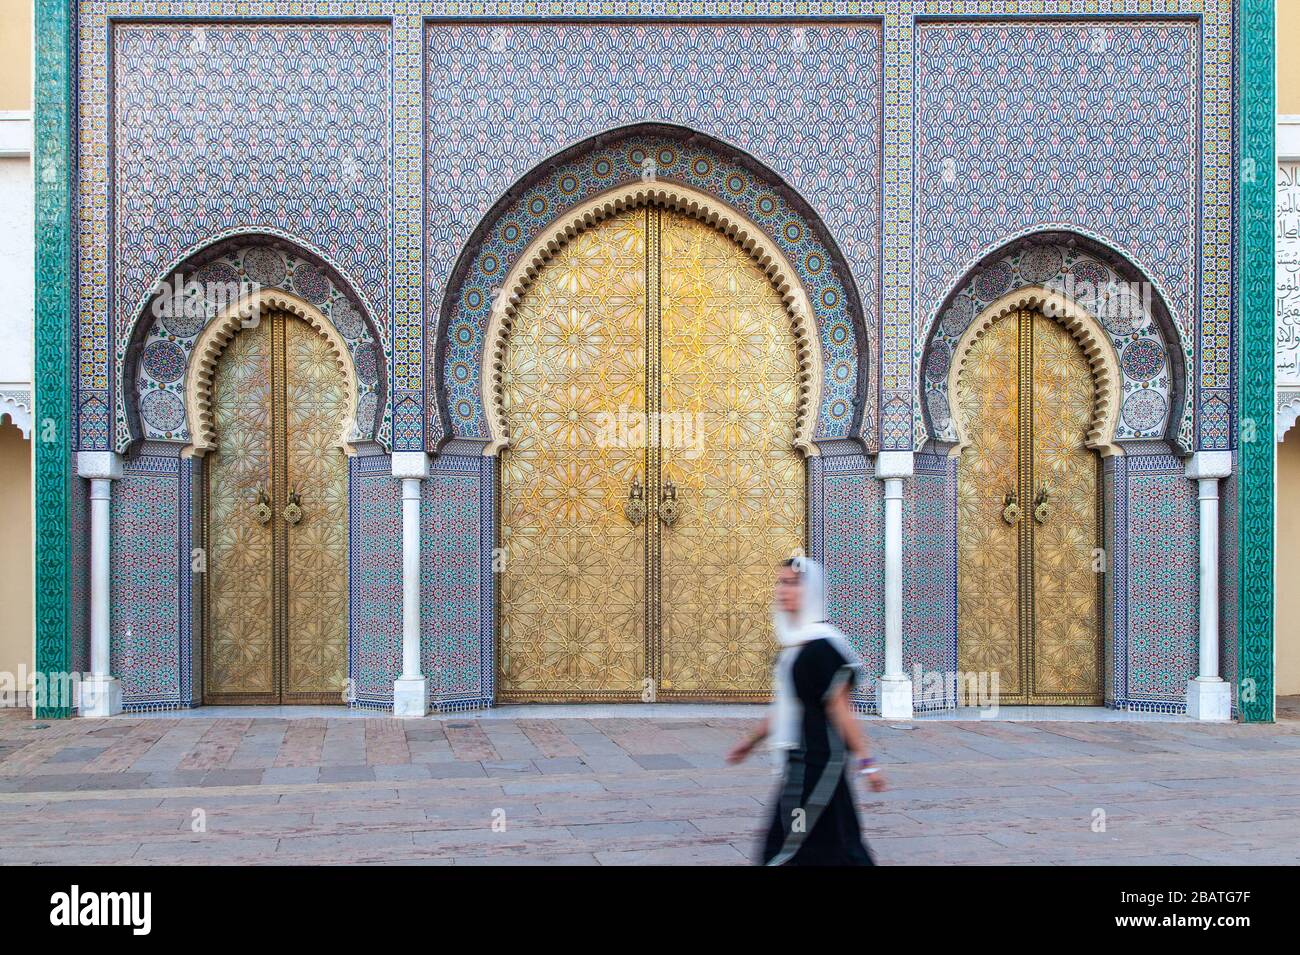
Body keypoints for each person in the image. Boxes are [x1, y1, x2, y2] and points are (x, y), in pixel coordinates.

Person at [725, 556, 886, 865]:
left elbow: (842, 711)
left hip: (819, 764)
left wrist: (868, 762)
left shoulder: (823, 646)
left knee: (791, 838)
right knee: (835, 839)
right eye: (780, 582)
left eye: (792, 583)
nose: (783, 590)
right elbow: (788, 706)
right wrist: (749, 741)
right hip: (800, 762)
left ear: (811, 590)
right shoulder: (794, 645)